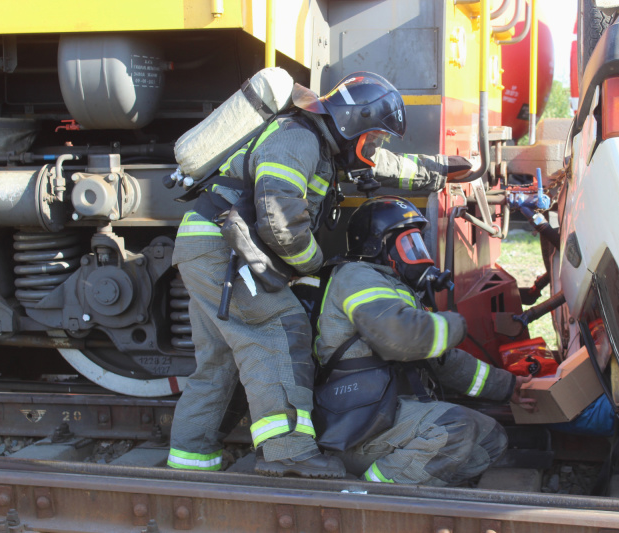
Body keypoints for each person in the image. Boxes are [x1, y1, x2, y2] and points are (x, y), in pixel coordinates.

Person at [168, 72, 477, 477]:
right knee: (278, 328)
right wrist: (314, 266)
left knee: (218, 362)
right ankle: (288, 452)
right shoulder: (298, 137)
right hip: (222, 250)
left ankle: (188, 466)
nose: (375, 148)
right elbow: (278, 213)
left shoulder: (325, 144)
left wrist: (438, 171)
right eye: (374, 137)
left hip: (207, 246)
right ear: (352, 122)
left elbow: (381, 165)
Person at [314, 196, 535, 485]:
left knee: (489, 439)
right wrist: (453, 323)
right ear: (376, 245)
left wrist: (506, 387)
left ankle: (415, 488)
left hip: (388, 412)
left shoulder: (394, 286)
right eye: (408, 244)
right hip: (357, 424)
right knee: (455, 427)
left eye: (418, 243)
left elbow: (444, 361)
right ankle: (369, 493)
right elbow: (399, 337)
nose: (417, 254)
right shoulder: (356, 276)